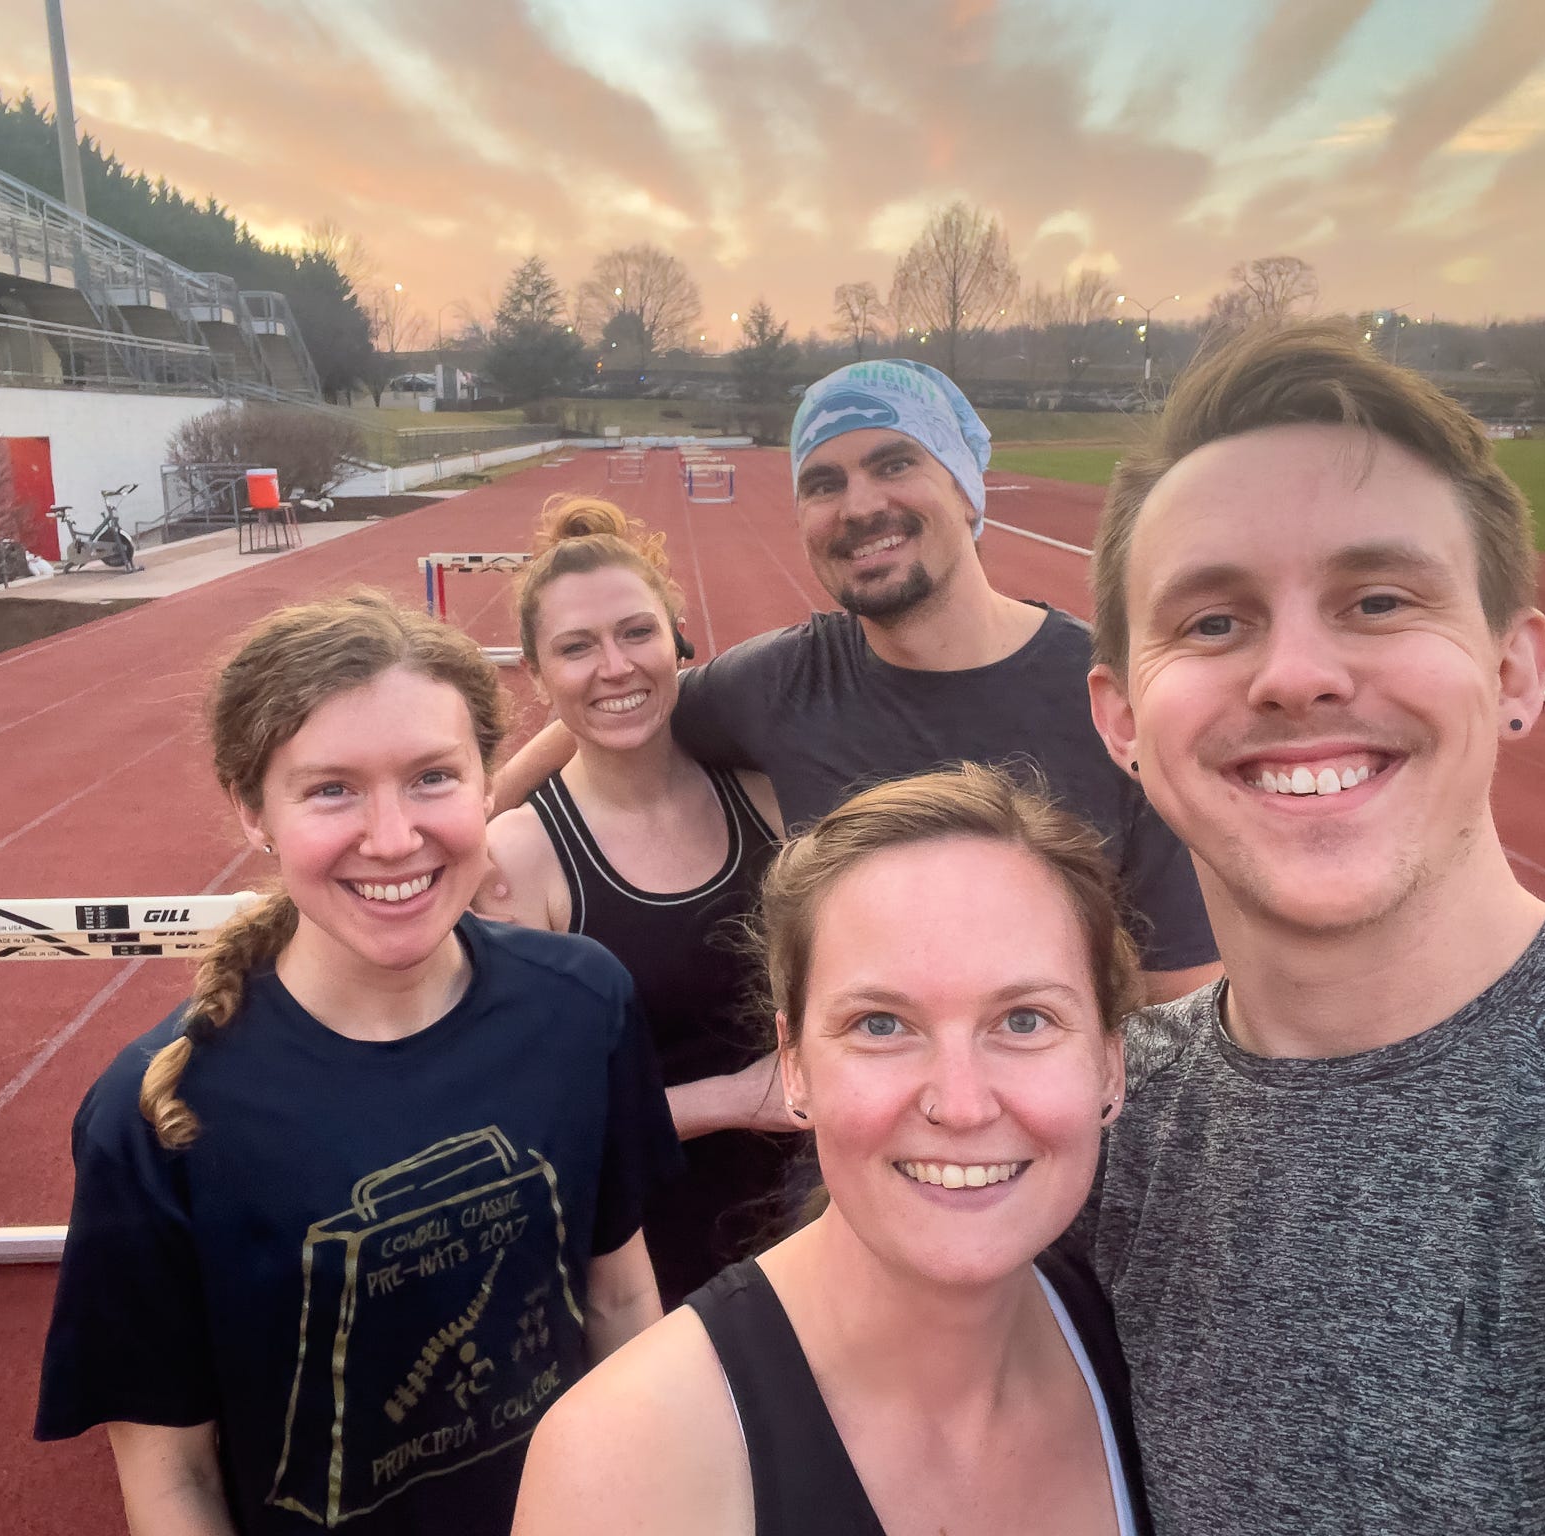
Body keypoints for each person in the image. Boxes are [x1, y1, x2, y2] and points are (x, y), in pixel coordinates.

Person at [1078, 320, 1545, 1533]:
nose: (1294, 674)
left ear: (1512, 673)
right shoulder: (1094, 1127)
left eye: (1376, 601)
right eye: (1211, 622)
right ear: (1120, 721)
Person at [34, 592, 682, 1535]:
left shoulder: (582, 1004)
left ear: (487, 783)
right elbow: (174, 1475)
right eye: (332, 789)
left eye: (432, 777)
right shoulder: (159, 1115)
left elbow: (618, 1298)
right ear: (252, 811)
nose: (392, 837)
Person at [513, 765, 1152, 1536]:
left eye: (1024, 1020)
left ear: (1110, 1062)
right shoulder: (626, 1463)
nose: (961, 1104)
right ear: (794, 1066)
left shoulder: (1149, 1345)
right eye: (881, 1025)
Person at [494, 358, 1219, 1003]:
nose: (861, 506)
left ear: (967, 490)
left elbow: (1180, 997)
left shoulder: (1115, 698)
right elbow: (631, 703)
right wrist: (484, 816)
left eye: (895, 464)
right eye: (824, 483)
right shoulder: (777, 683)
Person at [477, 494, 793, 1304]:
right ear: (538, 674)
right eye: (576, 647)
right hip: (642, 1269)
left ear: (678, 643)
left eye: (636, 633)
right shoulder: (519, 858)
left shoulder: (767, 797)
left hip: (809, 1229)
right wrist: (735, 1098)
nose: (615, 667)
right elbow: (525, 1118)